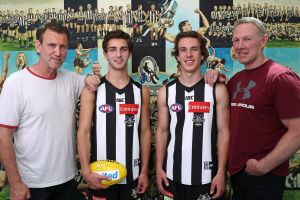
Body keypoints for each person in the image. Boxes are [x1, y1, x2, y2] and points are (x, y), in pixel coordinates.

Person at [206, 17, 300, 200]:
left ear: (263, 41)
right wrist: (215, 76)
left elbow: (298, 130)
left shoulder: (280, 77)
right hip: (239, 175)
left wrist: (263, 166)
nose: (240, 45)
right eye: (236, 40)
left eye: (247, 39)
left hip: (264, 178)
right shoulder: (237, 79)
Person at [0, 22, 86, 200]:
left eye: (63, 46)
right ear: (38, 46)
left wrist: (92, 79)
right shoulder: (16, 83)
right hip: (32, 185)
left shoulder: (72, 80)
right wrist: (15, 184)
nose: (58, 52)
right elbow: (3, 137)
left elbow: (98, 82)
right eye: (52, 45)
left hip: (68, 180)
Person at [155, 31, 230, 200]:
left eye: (194, 49)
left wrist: (221, 172)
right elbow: (162, 131)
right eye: (183, 50)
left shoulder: (217, 89)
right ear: (178, 56)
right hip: (172, 175)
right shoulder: (166, 91)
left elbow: (224, 132)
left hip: (207, 176)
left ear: (202, 54)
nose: (188, 55)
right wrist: (159, 167)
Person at [77, 30, 151, 200]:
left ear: (130, 53)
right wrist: (86, 172)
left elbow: (145, 132)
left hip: (133, 177)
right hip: (100, 178)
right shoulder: (92, 90)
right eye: (112, 49)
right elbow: (84, 132)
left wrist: (145, 171)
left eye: (123, 49)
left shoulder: (141, 91)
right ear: (105, 54)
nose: (118, 54)